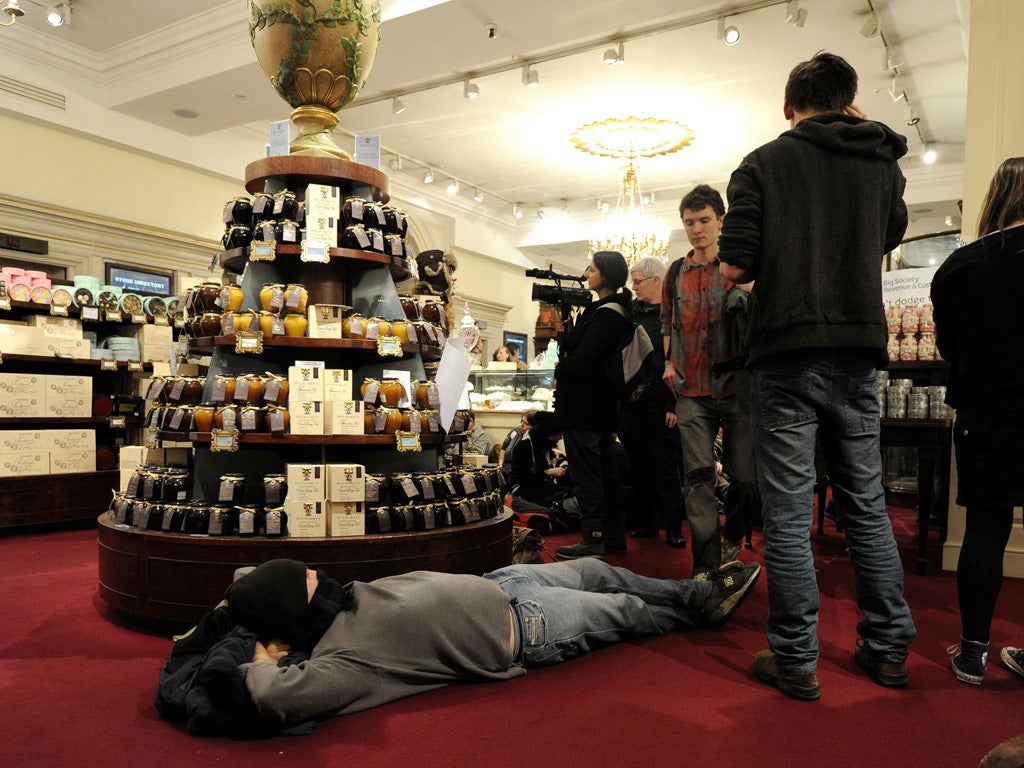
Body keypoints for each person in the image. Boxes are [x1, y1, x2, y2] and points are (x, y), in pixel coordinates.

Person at [717, 51, 917, 701]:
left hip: (787, 353)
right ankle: (888, 649)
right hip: (858, 353)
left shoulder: (762, 165)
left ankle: (797, 659)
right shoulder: (881, 165)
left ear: (787, 107)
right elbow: (888, 235)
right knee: (867, 506)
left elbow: (734, 270)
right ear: (848, 102)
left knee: (786, 511)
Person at [232, 556, 761, 726]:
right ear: (292, 609)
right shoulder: (341, 657)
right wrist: (261, 653)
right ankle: (697, 616)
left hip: (500, 583)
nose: (316, 573)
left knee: (600, 569)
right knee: (626, 611)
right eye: (303, 579)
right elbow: (275, 697)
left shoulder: (337, 599)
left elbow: (247, 576)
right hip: (527, 628)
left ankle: (695, 594)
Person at [930, 156, 1024, 685]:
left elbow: (948, 346)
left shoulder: (961, 266)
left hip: (985, 412)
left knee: (985, 530)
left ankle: (973, 653)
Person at [661, 185, 757, 575]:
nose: (696, 229)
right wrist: (668, 360)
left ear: (721, 219)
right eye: (689, 222)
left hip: (736, 387)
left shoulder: (740, 267)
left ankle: (734, 532)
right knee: (698, 480)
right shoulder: (675, 272)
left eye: (703, 220)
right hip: (689, 391)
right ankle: (706, 566)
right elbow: (667, 321)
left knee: (748, 480)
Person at [552, 250, 633, 559]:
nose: (586, 273)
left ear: (606, 275)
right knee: (604, 471)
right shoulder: (608, 310)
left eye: (592, 268)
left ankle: (593, 538)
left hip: (586, 406)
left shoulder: (607, 313)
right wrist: (568, 333)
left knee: (588, 474)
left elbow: (586, 360)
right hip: (599, 406)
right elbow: (584, 349)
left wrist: (562, 369)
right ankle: (612, 536)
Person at [617, 255, 686, 548]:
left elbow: (681, 361)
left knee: (666, 466)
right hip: (632, 404)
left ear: (656, 281)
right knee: (637, 465)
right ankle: (643, 522)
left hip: (662, 400)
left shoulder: (673, 315)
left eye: (638, 281)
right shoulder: (631, 314)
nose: (634, 287)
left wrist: (675, 405)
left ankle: (673, 526)